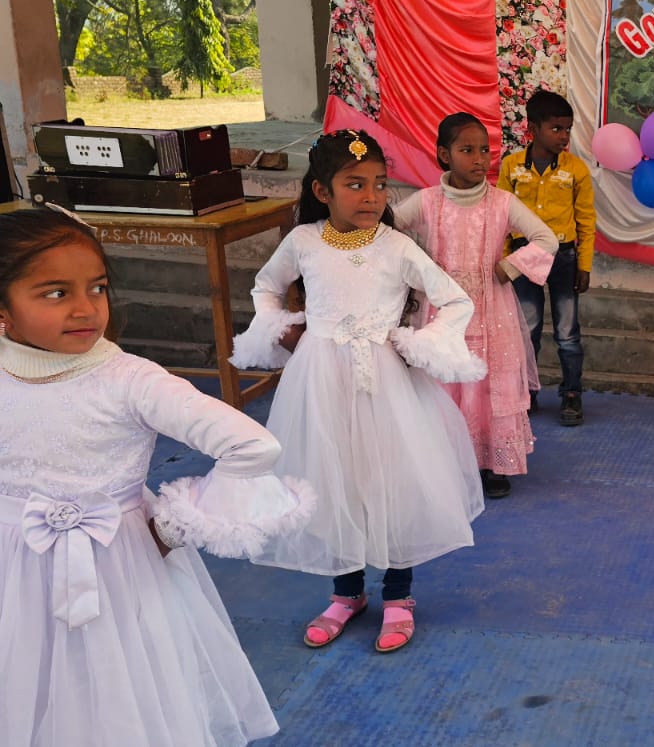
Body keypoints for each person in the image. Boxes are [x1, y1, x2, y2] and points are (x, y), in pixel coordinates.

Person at [0, 208, 314, 746]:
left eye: (97, 288)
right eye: (55, 293)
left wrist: (172, 526)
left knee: (120, 688)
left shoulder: (131, 381)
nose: (85, 308)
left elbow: (252, 444)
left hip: (118, 566)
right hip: (13, 565)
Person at [231, 130, 486, 654]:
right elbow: (265, 286)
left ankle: (398, 594)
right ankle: (346, 592)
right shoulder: (302, 242)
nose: (372, 196)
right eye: (355, 184)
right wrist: (280, 327)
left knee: (392, 480)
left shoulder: (396, 246)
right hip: (320, 381)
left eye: (379, 184)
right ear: (322, 191)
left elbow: (456, 300)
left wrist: (422, 343)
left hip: (385, 383)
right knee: (333, 478)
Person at [395, 113, 559, 499]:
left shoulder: (502, 203)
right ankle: (446, 464)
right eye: (467, 150)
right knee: (443, 384)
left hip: (492, 315)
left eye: (484, 150)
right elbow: (389, 231)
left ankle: (490, 464)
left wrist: (511, 266)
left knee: (488, 386)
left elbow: (546, 238)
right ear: (444, 155)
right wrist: (415, 269)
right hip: (439, 317)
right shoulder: (427, 202)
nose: (479, 159)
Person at [498, 90, 595, 426]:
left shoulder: (576, 170)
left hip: (564, 259)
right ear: (533, 128)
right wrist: (505, 261)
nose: (564, 136)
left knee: (568, 333)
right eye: (556, 129)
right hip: (523, 257)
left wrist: (584, 265)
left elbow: (586, 220)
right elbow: (501, 218)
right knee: (527, 329)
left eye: (568, 129)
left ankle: (572, 394)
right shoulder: (511, 166)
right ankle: (526, 391)